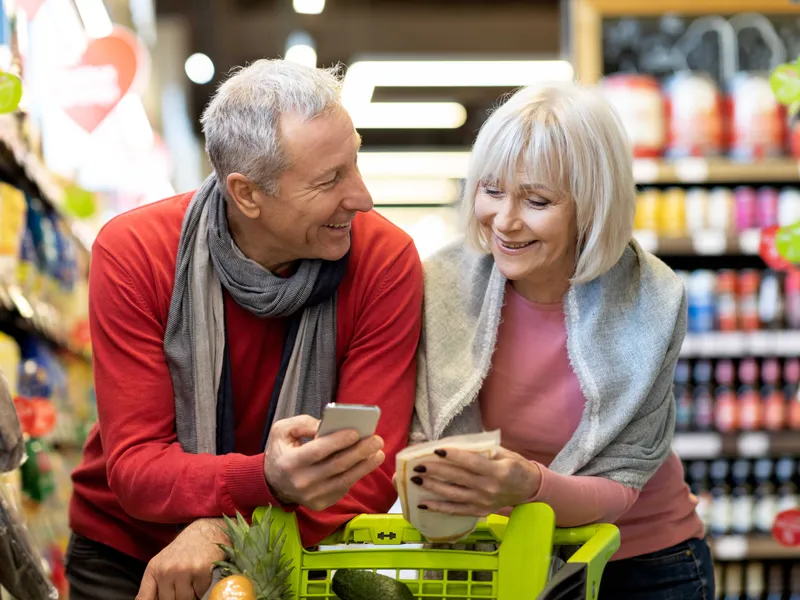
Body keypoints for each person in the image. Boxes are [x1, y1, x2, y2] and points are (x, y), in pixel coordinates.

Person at [65, 59, 423, 600]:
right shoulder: (136, 253)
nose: (362, 196)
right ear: (247, 194)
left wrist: (226, 530)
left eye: (354, 163)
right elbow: (137, 466)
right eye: (330, 180)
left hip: (294, 552)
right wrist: (267, 480)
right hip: (131, 554)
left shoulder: (384, 260)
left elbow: (366, 468)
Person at [407, 82, 713, 600]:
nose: (504, 220)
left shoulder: (654, 299)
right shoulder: (439, 286)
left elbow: (622, 484)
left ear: (592, 204)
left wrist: (529, 486)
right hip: (492, 558)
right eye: (491, 190)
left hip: (641, 563)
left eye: (537, 200)